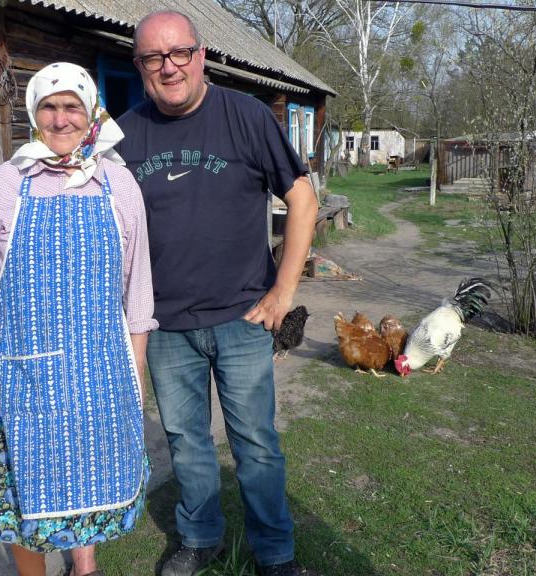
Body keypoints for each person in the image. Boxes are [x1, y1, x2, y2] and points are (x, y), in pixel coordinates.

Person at [116, 10, 319, 576]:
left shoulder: (247, 116)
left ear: (201, 55)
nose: (169, 67)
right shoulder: (125, 136)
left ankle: (275, 553)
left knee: (255, 441)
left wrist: (284, 288)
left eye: (179, 53)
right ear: (140, 67)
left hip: (242, 316)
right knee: (186, 442)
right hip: (165, 325)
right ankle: (199, 537)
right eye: (154, 58)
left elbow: (301, 198)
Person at [0, 62, 157, 576]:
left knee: (91, 471)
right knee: (26, 484)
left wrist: (136, 372)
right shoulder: (9, 182)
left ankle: (84, 568)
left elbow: (138, 288)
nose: (60, 119)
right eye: (49, 106)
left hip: (97, 366)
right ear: (33, 113)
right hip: (23, 366)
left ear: (91, 114)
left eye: (72, 107)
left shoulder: (119, 184)